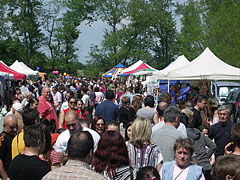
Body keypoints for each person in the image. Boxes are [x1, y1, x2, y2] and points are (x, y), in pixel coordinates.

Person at [184, 109, 216, 180]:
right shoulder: (200, 134)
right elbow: (213, 145)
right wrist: (205, 157)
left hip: (195, 167)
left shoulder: (184, 134)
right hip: (206, 166)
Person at [0, 115, 18, 180]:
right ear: (4, 126)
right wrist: (5, 177)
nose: (15, 129)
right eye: (11, 127)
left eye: (16, 126)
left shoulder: (15, 137)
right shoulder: (3, 138)